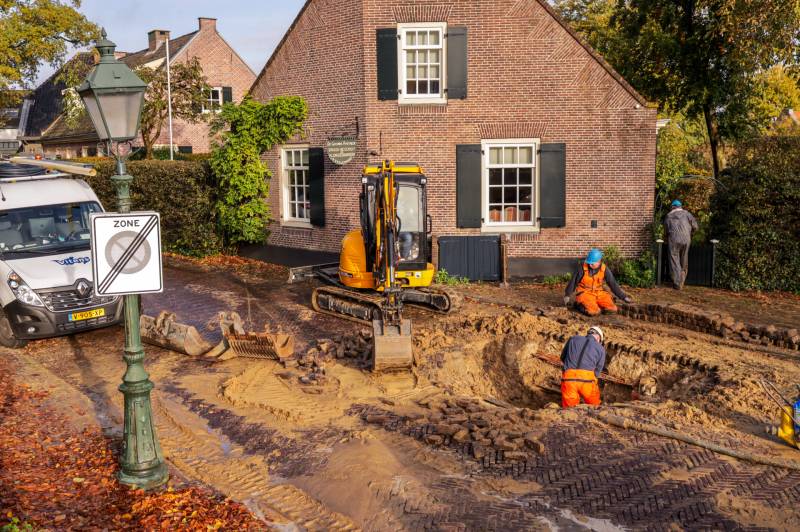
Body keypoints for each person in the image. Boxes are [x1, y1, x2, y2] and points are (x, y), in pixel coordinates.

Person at [563, 248, 632, 316]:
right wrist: (567, 296)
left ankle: (597, 305)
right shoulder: (581, 268)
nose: (590, 265)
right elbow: (573, 282)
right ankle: (578, 305)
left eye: (592, 263)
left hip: (599, 293)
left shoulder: (604, 269)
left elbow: (612, 283)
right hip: (585, 293)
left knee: (612, 309)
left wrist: (623, 297)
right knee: (594, 311)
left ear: (599, 261)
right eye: (589, 262)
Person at [561, 326, 606, 407]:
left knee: (569, 410)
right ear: (598, 337)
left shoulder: (573, 339)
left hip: (569, 379)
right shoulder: (601, 349)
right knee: (595, 407)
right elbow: (598, 370)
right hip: (587, 382)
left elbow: (563, 357)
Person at [664, 200, 698, 290]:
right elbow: (695, 227)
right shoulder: (687, 214)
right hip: (686, 239)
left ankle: (677, 283)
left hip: (673, 239)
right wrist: (690, 233)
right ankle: (681, 281)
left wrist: (666, 238)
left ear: (672, 207)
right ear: (680, 206)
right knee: (684, 259)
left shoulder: (668, 216)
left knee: (674, 260)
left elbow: (666, 230)